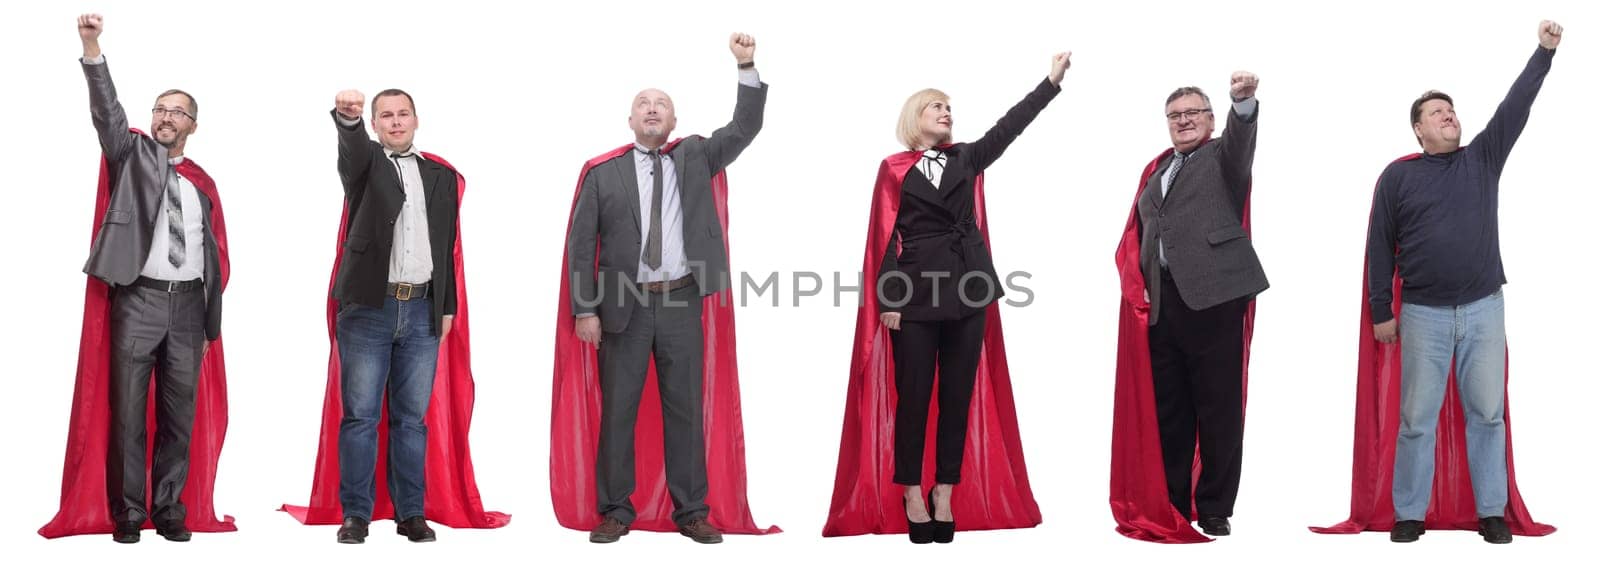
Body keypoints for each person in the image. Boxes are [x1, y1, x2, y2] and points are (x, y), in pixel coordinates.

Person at [825, 52, 1069, 544]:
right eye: (935, 107)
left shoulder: (967, 158)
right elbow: (884, 235)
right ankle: (911, 491)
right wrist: (889, 298)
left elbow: (1010, 126)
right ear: (915, 118)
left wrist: (1049, 82)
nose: (946, 113)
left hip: (968, 287)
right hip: (912, 295)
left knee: (958, 398)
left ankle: (945, 492)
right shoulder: (893, 167)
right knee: (913, 399)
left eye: (949, 107)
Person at [558, 32, 769, 545]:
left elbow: (746, 126)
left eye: (662, 106)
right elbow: (581, 248)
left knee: (685, 410)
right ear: (630, 120)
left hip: (680, 300)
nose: (652, 110)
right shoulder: (602, 173)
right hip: (620, 309)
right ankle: (615, 511)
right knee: (618, 414)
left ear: (674, 122)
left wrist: (746, 66)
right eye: (643, 105)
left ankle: (692, 511)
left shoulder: (696, 156)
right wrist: (585, 309)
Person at [1366, 20, 1563, 545]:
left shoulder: (1482, 158)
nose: (1448, 115)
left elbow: (1515, 106)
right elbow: (1379, 246)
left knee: (1487, 414)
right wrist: (1380, 309)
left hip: (1482, 309)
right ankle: (1408, 513)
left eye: (1451, 109)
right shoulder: (1397, 178)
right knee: (1415, 419)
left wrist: (1543, 53)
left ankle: (1491, 512)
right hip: (1423, 314)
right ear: (1418, 129)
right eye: (1436, 112)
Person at [41, 13, 235, 544]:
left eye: (178, 112)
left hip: (189, 309)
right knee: (127, 413)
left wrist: (209, 316)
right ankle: (128, 512)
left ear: (194, 124)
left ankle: (169, 508)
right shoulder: (131, 157)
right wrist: (92, 48)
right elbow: (107, 112)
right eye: (161, 109)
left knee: (179, 415)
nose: (166, 117)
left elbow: (216, 254)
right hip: (139, 302)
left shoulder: (202, 184)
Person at [1109, 71, 1264, 541]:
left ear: (1211, 119)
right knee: (1170, 410)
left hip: (1214, 298)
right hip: (1164, 304)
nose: (1183, 121)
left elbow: (1242, 143)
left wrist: (1244, 104)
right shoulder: (1157, 170)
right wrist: (1144, 284)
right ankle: (1174, 501)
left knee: (1218, 407)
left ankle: (1215, 506)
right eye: (1175, 116)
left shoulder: (1223, 157)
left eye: (1193, 113)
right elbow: (1148, 232)